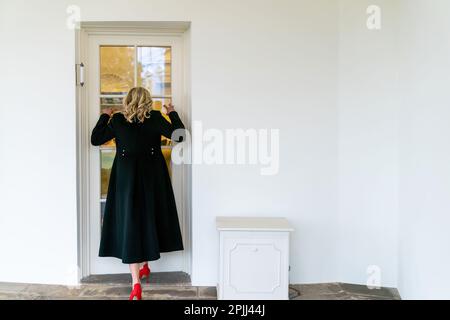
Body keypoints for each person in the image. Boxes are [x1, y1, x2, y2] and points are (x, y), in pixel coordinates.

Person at [91, 87, 185, 300]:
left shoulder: (117, 120)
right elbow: (180, 136)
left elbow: (96, 138)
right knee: (148, 215)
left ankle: (136, 283)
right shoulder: (155, 118)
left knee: (131, 221)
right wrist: (172, 113)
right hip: (152, 177)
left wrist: (104, 115)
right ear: (148, 101)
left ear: (128, 100)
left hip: (126, 178)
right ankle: (144, 266)